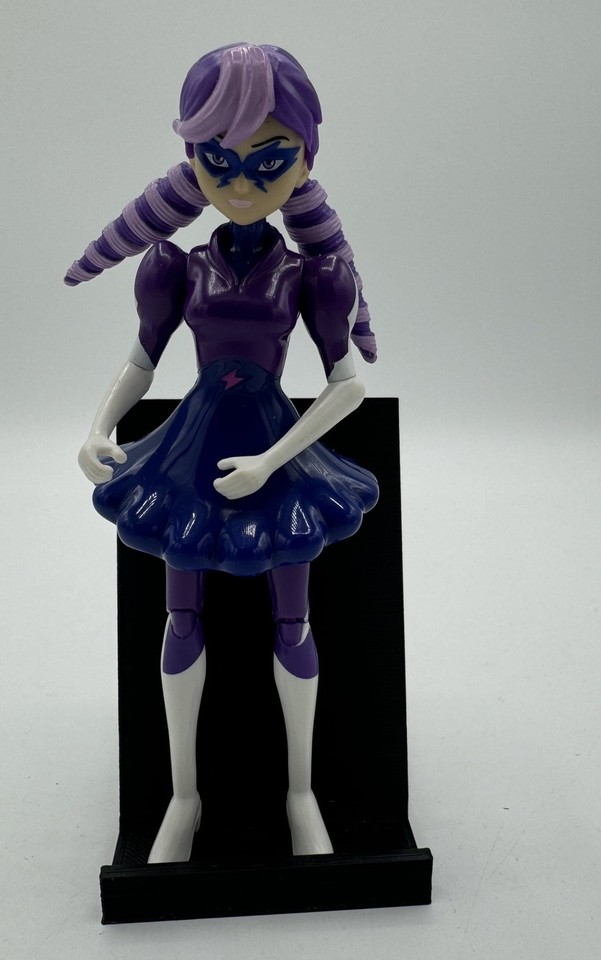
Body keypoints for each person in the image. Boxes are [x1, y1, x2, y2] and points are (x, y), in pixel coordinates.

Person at [66, 42, 378, 863]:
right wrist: (98, 428)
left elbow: (348, 387)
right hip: (192, 454)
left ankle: (301, 792)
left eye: (269, 162)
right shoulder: (174, 267)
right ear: (191, 161)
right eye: (218, 161)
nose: (241, 186)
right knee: (180, 614)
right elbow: (142, 361)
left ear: (303, 160)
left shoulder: (313, 276)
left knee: (293, 619)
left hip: (275, 453)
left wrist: (273, 461)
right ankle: (183, 795)